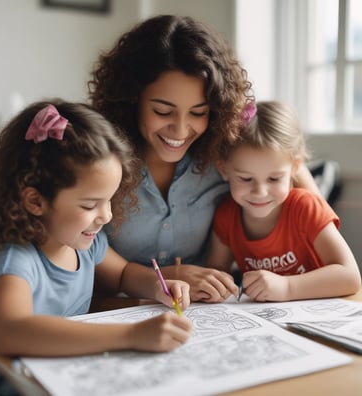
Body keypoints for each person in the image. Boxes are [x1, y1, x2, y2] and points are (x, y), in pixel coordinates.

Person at [0, 100, 192, 396]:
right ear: (35, 201)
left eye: (109, 200)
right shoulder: (14, 261)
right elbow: (12, 333)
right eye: (89, 204)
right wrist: (132, 334)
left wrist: (157, 286)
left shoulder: (85, 244)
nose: (106, 215)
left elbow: (122, 274)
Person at [88, 14, 320, 302]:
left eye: (198, 112)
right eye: (163, 111)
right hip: (115, 305)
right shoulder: (98, 158)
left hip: (205, 309)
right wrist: (164, 280)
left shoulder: (223, 153)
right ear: (131, 99)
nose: (181, 130)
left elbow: (299, 184)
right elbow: (86, 244)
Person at [207, 100, 361, 302]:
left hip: (319, 315)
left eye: (274, 179)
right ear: (223, 169)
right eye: (246, 179)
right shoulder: (226, 215)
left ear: (295, 167)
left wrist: (288, 287)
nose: (260, 192)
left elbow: (350, 277)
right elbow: (216, 272)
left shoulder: (306, 208)